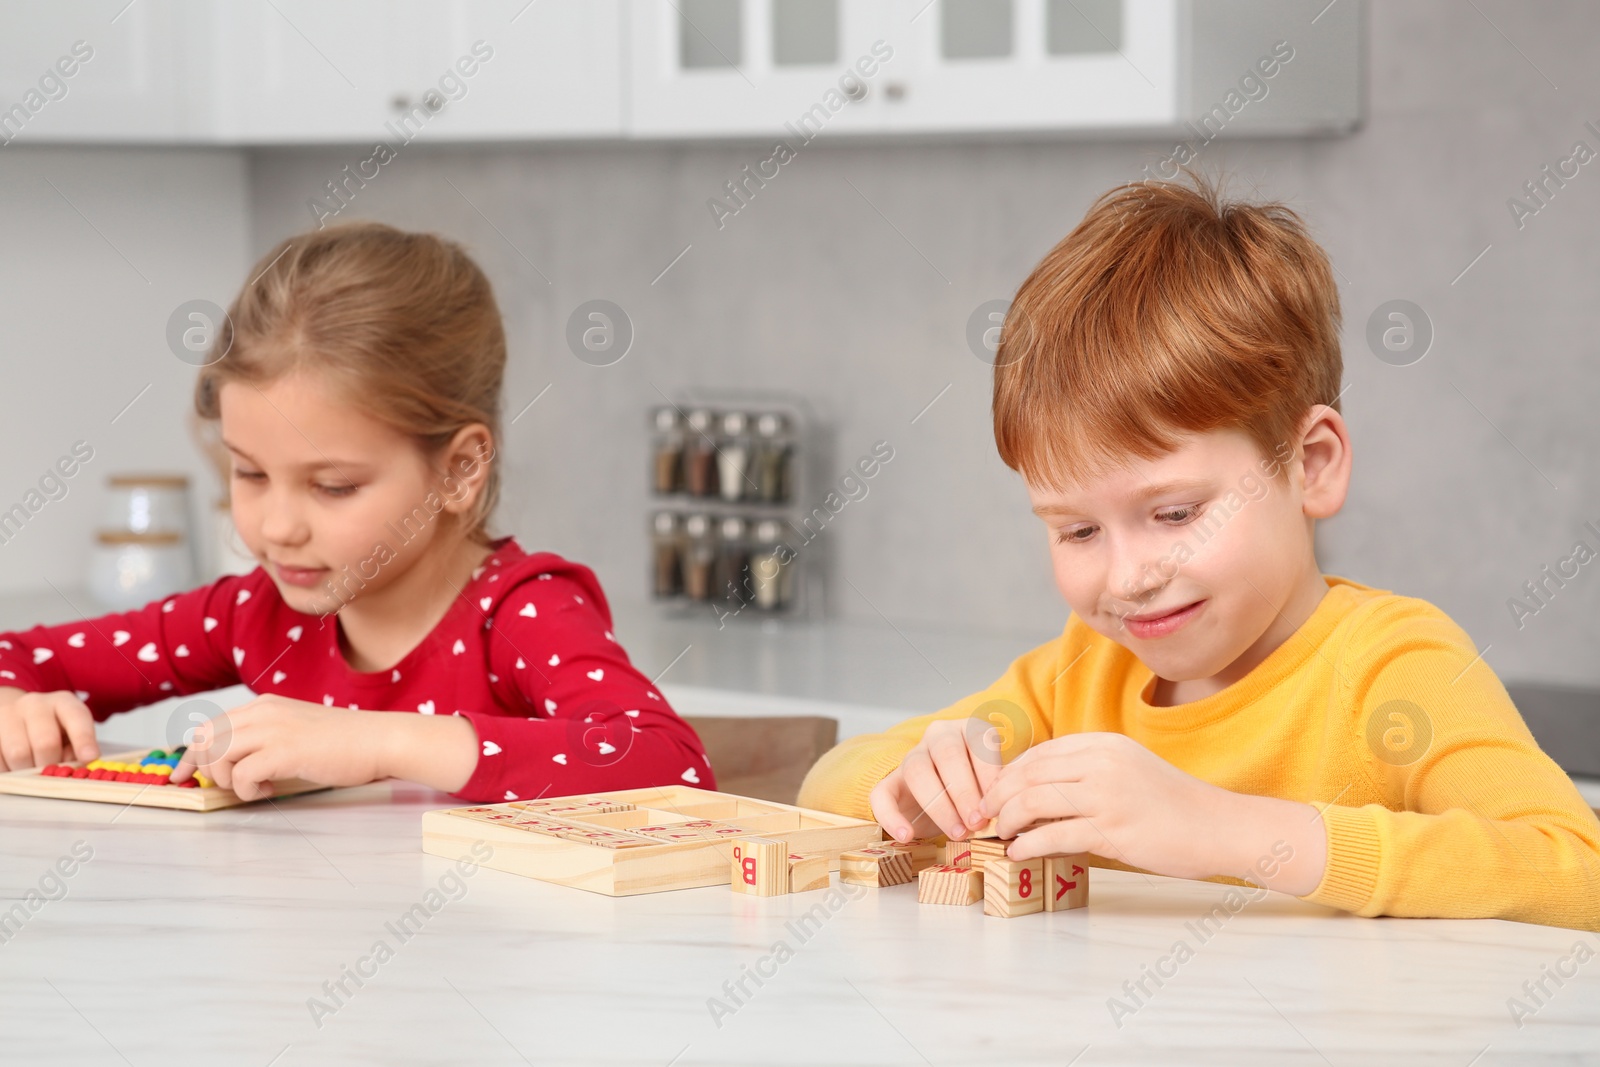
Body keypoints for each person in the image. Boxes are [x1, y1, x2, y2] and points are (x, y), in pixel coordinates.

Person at [798, 176, 1600, 930]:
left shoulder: (1393, 668)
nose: (1127, 577)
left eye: (1176, 512)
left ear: (1311, 464)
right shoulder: (1078, 678)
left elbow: (1577, 873)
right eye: (1078, 530)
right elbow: (829, 783)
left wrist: (1225, 829)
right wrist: (924, 779)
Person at [0, 222, 713, 803]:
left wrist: (375, 740)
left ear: (460, 468)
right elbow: (20, 657)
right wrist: (16, 708)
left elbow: (667, 760)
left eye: (333, 486)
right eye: (249, 472)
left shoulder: (520, 614)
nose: (278, 527)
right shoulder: (255, 615)